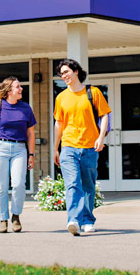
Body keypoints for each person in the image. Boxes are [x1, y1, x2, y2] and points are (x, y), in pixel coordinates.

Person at [53, 59, 111, 236]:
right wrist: (56, 148)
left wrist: (101, 138)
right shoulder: (61, 97)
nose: (64, 76)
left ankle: (87, 220)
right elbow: (59, 123)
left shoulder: (93, 93)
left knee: (88, 185)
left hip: (89, 146)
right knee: (72, 184)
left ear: (76, 71)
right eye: (61, 74)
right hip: (69, 146)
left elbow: (105, 115)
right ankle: (73, 220)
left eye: (66, 72)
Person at [0, 76, 37, 233]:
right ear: (9, 91)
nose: (21, 89)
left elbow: (30, 133)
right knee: (1, 186)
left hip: (19, 149)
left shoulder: (26, 108)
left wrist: (31, 154)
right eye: (18, 87)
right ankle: (3, 219)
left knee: (19, 184)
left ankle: (16, 216)